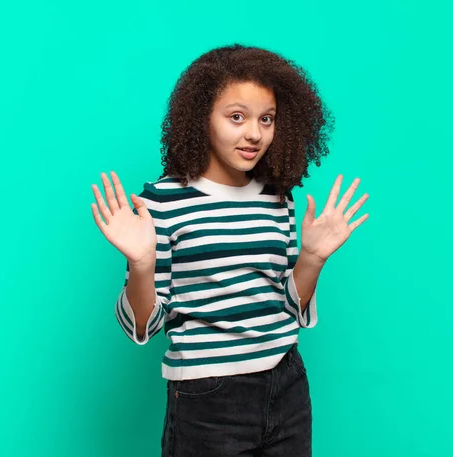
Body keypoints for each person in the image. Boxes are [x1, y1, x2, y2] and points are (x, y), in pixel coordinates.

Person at [91, 44, 369, 457]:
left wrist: (312, 259)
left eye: (266, 119)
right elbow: (142, 328)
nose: (254, 133)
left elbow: (286, 304)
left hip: (287, 381)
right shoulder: (162, 202)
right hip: (210, 398)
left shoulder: (278, 197)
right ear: (202, 117)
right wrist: (142, 263)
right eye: (236, 116)